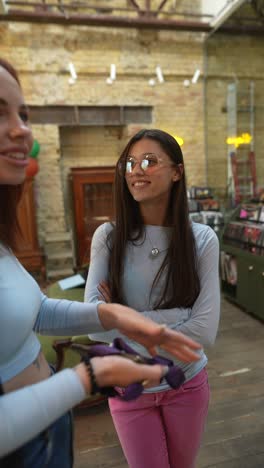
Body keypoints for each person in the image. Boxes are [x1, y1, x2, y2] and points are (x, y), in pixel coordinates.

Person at [0, 59, 201, 466]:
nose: (22, 129)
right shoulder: (109, 236)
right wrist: (92, 376)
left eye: (24, 114)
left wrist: (114, 315)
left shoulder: (201, 238)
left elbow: (36, 311)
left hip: (46, 432)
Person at [85, 128, 220, 468]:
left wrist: (121, 315)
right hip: (129, 387)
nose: (136, 170)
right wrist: (179, 316)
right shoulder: (109, 237)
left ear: (177, 171)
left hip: (187, 384)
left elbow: (204, 331)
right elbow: (92, 326)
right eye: (129, 163)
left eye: (149, 161)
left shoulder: (201, 239)